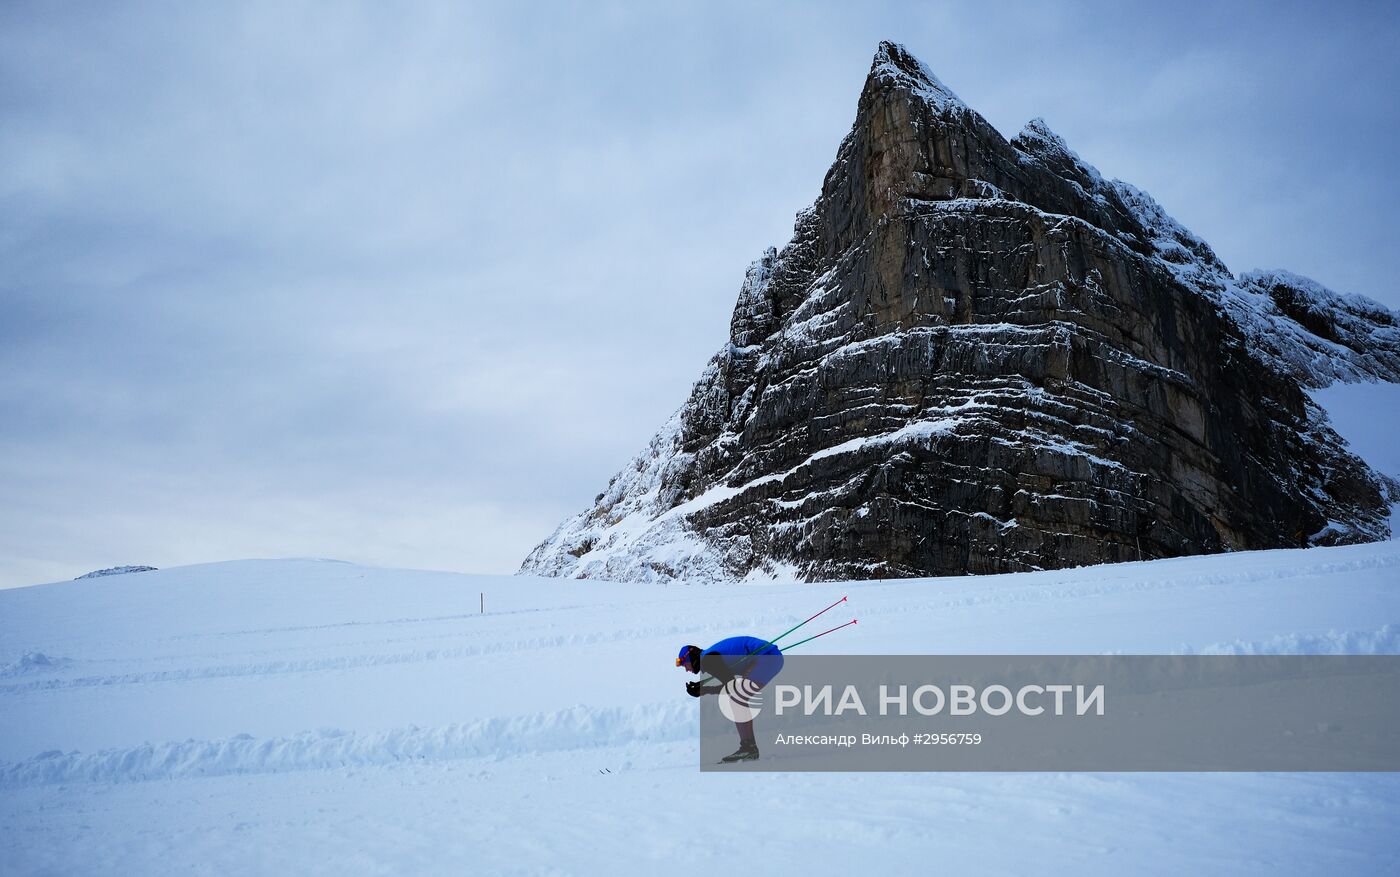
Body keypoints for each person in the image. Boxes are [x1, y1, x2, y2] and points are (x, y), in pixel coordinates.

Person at [677, 636, 784, 762]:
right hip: (769, 656)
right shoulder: (709, 658)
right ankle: (749, 748)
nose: (687, 669)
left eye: (685, 665)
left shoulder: (708, 660)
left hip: (767, 657)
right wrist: (705, 690)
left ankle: (748, 749)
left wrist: (705, 690)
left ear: (692, 658)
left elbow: (731, 687)